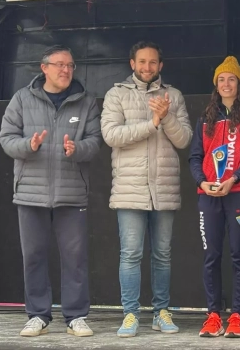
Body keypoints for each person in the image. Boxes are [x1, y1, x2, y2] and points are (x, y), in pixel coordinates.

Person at [0, 45, 101, 338]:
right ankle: (38, 315)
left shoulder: (86, 101)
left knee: (75, 257)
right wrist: (28, 146)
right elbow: (6, 138)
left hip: (72, 193)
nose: (66, 70)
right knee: (33, 255)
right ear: (44, 68)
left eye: (70, 65)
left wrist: (77, 149)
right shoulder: (22, 98)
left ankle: (76, 316)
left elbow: (95, 141)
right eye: (59, 65)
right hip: (30, 193)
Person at [100, 41, 193, 338]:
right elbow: (111, 135)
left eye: (153, 62)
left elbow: (184, 140)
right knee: (130, 254)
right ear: (132, 64)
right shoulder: (117, 94)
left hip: (164, 188)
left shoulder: (173, 96)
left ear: (160, 66)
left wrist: (166, 116)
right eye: (142, 62)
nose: (147, 67)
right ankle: (130, 314)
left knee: (162, 254)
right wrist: (152, 123)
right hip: (130, 188)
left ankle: (160, 312)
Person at [188, 56, 240, 338]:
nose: (226, 83)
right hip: (209, 195)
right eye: (222, 79)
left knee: (239, 255)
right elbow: (195, 157)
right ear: (216, 85)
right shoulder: (205, 118)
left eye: (231, 79)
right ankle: (212, 316)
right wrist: (203, 181)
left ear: (239, 84)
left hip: (239, 194)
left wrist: (233, 179)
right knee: (211, 255)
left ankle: (237, 316)